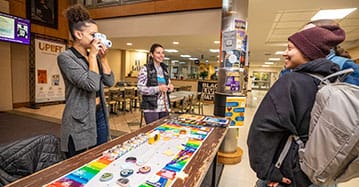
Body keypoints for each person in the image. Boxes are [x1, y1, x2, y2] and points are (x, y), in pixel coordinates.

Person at [247, 25, 345, 187]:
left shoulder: (291, 82)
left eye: (290, 48)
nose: (285, 53)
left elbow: (261, 131)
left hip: (289, 173)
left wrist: (267, 170)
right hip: (322, 172)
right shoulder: (332, 82)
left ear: (308, 51)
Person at [57, 4, 114, 158]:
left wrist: (103, 58)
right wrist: (93, 56)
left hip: (99, 112)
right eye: (93, 35)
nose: (96, 39)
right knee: (78, 162)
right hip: (79, 117)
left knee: (101, 156)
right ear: (78, 34)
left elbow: (109, 81)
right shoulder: (66, 58)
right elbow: (92, 84)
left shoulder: (93, 57)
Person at [137, 43, 174, 124]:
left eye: (163, 53)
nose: (161, 55)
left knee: (164, 131)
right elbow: (140, 89)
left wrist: (170, 87)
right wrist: (158, 88)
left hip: (165, 107)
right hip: (151, 108)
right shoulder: (145, 69)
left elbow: (168, 84)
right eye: (158, 53)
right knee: (154, 132)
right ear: (151, 54)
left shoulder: (165, 69)